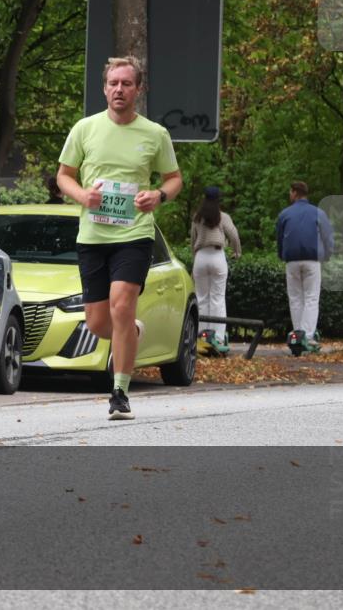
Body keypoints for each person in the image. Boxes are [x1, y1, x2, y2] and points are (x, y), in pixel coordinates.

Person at [57, 56, 183, 420]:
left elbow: (174, 179)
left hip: (135, 233)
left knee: (122, 304)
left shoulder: (154, 134)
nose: (119, 89)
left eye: (127, 84)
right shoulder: (85, 129)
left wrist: (158, 196)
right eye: (114, 83)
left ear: (138, 90)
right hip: (93, 235)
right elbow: (64, 175)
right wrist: (82, 196)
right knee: (99, 323)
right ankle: (129, 331)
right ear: (104, 88)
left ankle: (120, 392)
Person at [276, 181, 334, 352]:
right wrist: (328, 255)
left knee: (295, 297)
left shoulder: (284, 214)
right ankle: (308, 336)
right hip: (312, 260)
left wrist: (282, 255)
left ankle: (297, 334)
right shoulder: (318, 212)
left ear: (295, 193)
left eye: (290, 192)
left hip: (292, 261)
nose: (289, 194)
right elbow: (328, 237)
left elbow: (279, 239)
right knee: (311, 297)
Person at [190, 186, 241, 354]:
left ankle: (202, 337)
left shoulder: (197, 218)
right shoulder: (223, 217)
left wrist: (194, 259)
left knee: (202, 298)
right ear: (219, 199)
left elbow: (193, 240)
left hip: (201, 257)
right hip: (217, 256)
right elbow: (233, 234)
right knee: (218, 299)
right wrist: (236, 251)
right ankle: (218, 338)